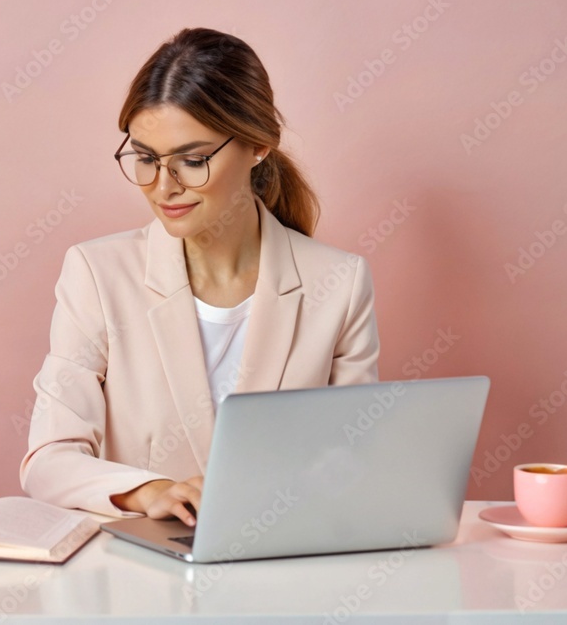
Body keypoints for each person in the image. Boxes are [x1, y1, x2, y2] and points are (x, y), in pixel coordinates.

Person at [19, 28, 380, 526]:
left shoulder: (339, 282)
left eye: (192, 161)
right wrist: (148, 491)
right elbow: (49, 459)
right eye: (146, 159)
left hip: (284, 555)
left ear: (259, 145)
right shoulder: (98, 275)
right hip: (142, 563)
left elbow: (354, 459)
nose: (164, 187)